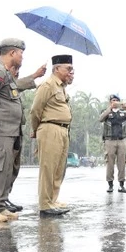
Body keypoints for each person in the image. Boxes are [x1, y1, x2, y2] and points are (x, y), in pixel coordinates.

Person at [0, 38, 46, 223]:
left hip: (10, 130)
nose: (22, 56)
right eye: (21, 53)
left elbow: (16, 87)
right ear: (12, 53)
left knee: (7, 169)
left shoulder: (6, 74)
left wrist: (35, 75)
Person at [29, 54, 75, 217]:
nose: (72, 72)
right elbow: (36, 110)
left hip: (63, 130)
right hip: (50, 129)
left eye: (72, 69)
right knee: (48, 168)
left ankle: (52, 200)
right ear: (57, 69)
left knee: (59, 169)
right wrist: (35, 130)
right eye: (68, 69)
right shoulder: (47, 85)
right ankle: (45, 204)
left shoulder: (61, 87)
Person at [0, 59, 45, 213]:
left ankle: (5, 198)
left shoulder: (14, 87)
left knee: (14, 168)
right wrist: (35, 75)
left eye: (18, 70)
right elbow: (18, 84)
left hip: (16, 131)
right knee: (5, 169)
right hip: (5, 132)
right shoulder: (4, 81)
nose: (17, 73)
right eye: (15, 69)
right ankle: (0, 201)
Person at [99, 94, 126, 193]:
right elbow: (100, 119)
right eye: (112, 100)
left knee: (122, 163)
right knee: (110, 163)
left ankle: (121, 185)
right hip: (109, 140)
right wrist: (109, 109)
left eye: (116, 100)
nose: (114, 102)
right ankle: (110, 185)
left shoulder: (123, 112)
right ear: (110, 102)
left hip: (121, 140)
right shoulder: (106, 111)